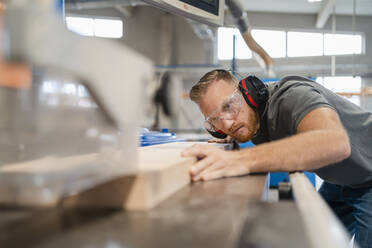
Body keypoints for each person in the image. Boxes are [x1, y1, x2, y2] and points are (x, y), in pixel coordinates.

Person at [181, 69, 372, 247]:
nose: (227, 123)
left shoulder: (293, 96)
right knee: (314, 239)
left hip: (369, 177)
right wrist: (231, 139)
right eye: (214, 119)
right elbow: (233, 123)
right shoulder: (247, 118)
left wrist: (239, 160)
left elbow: (334, 142)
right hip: (344, 177)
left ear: (249, 93)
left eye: (229, 106)